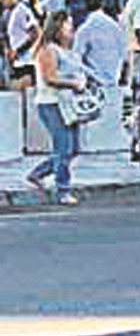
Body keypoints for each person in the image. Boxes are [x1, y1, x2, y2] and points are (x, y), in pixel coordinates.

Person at [24, 12, 89, 205]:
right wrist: (74, 84)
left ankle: (38, 173)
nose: (71, 29)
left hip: (68, 103)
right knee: (63, 147)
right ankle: (63, 189)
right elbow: (50, 78)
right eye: (67, 25)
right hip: (51, 103)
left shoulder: (67, 50)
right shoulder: (48, 50)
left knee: (73, 148)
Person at [72, 0, 129, 150]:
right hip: (114, 80)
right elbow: (125, 55)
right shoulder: (115, 27)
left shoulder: (85, 28)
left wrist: (83, 77)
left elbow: (76, 57)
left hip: (94, 83)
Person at [3, 0, 39, 91]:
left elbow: (34, 33)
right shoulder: (9, 14)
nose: (3, 1)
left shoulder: (22, 11)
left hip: (26, 60)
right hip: (18, 60)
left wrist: (18, 50)